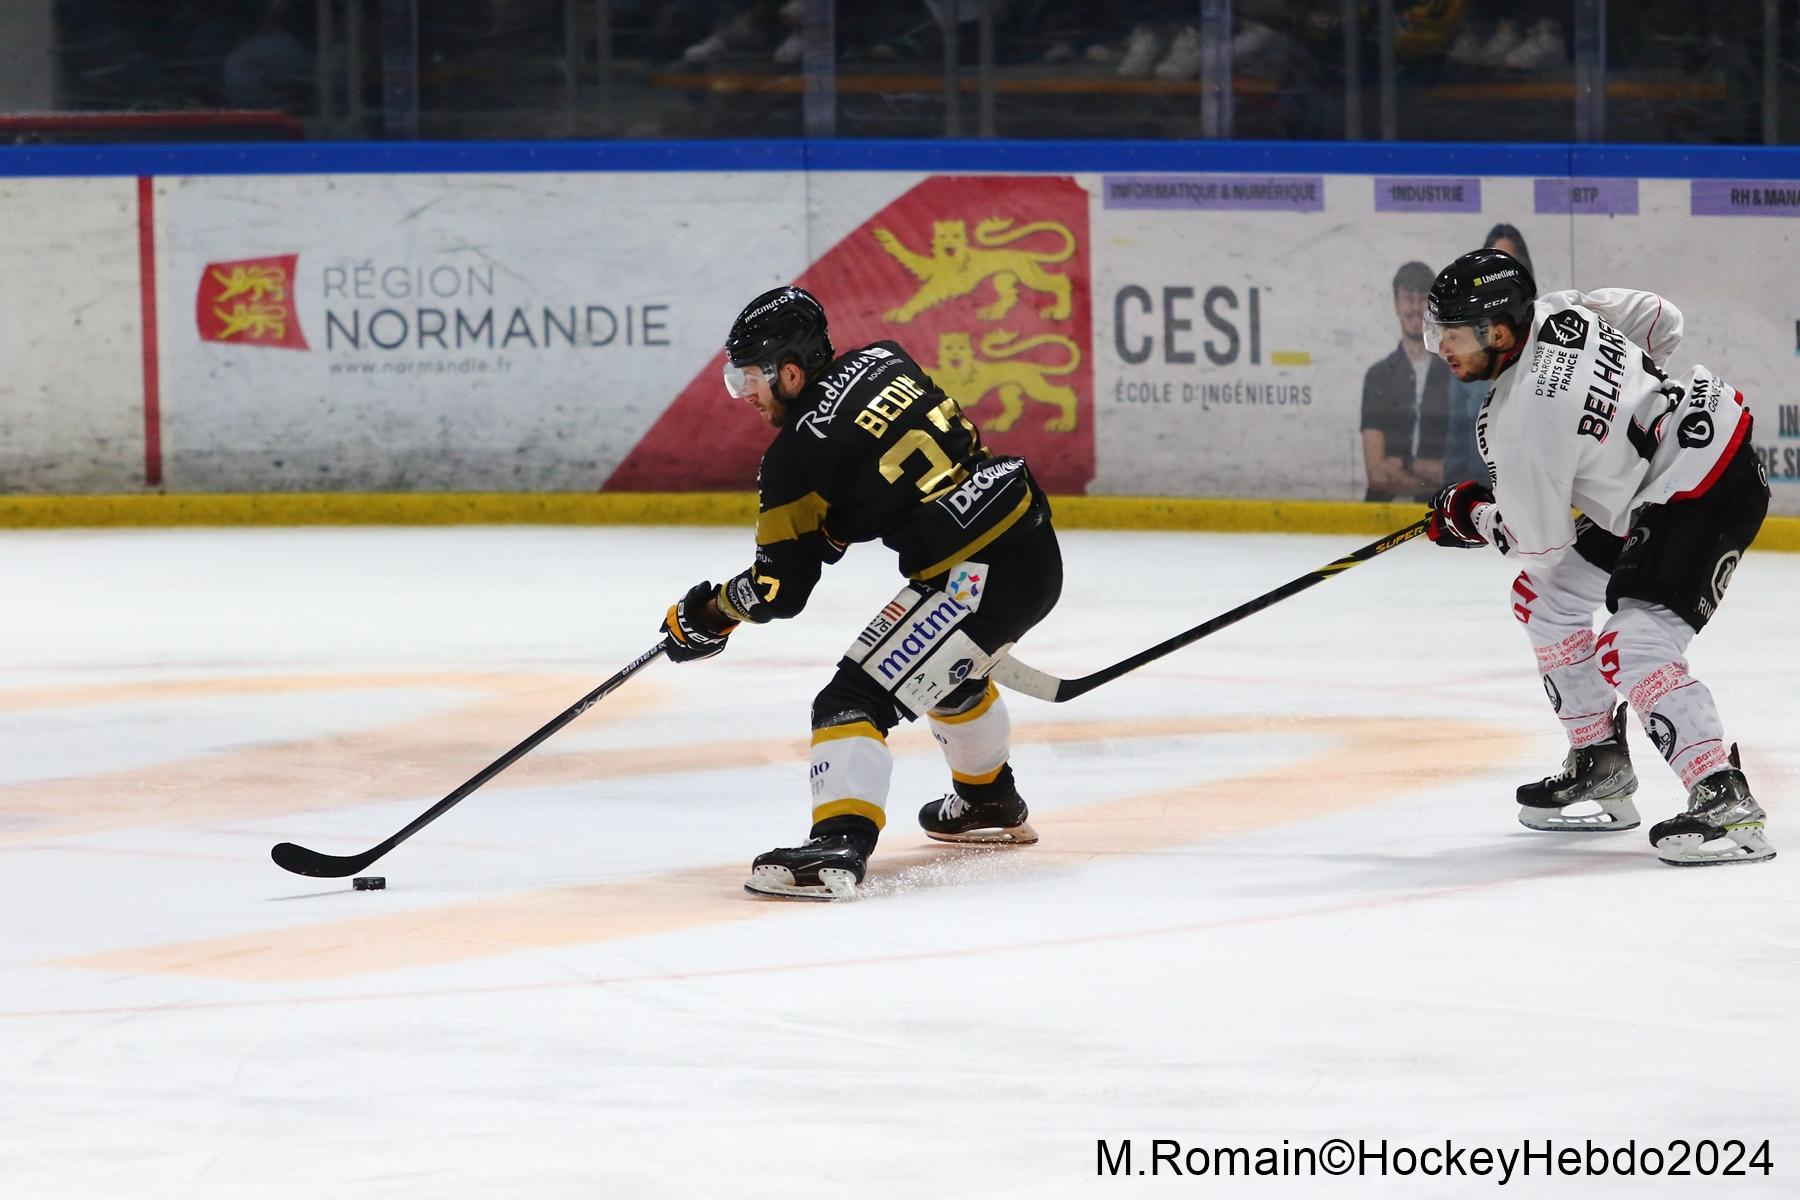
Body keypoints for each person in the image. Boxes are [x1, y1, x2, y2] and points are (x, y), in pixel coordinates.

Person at [659, 286, 1064, 899]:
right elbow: (877, 473)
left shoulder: (795, 456)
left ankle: (838, 845)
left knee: (850, 700)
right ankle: (988, 803)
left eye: (750, 380)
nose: (746, 396)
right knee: (947, 674)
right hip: (1029, 540)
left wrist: (711, 613)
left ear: (789, 372)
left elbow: (777, 589)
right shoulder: (885, 359)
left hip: (971, 579)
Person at [1423, 248, 1774, 866]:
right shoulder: (1562, 312)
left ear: (1498, 332)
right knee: (1547, 600)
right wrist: (1612, 422)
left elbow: (1539, 544)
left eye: (1452, 334)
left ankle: (1724, 799)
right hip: (1673, 458)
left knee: (1634, 644)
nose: (1442, 348)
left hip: (1702, 485)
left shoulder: (1519, 420)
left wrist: (1473, 516)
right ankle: (1600, 762)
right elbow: (1664, 320)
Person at [1444, 223, 1534, 484]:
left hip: (1537, 488)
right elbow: (1456, 441)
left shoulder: (1550, 333)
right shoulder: (1467, 355)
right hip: (1482, 487)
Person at [1361, 261, 1451, 502]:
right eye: (1407, 298)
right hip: (1379, 517)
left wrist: (1404, 464)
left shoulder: (1455, 377)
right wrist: (1432, 486)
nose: (1414, 307)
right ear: (1396, 304)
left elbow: (1457, 472)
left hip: (1440, 517)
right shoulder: (1378, 377)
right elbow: (1377, 474)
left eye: (1423, 298)